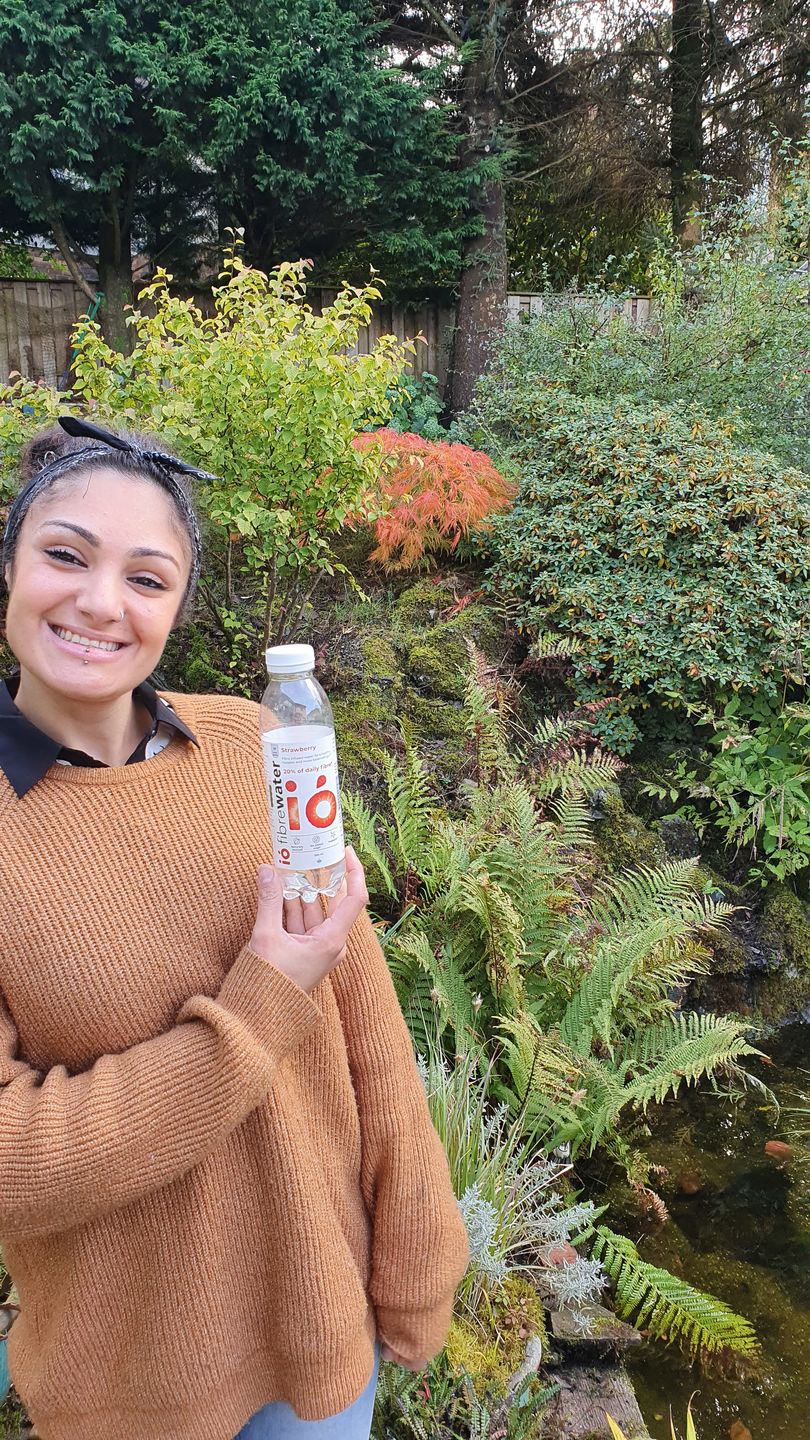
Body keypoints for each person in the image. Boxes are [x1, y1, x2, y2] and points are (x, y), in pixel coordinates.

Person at [0, 417, 470, 1440]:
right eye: (66, 556)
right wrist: (261, 1000)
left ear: (176, 606)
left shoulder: (258, 743)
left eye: (147, 577)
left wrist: (420, 1255)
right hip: (125, 1384)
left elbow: (365, 1022)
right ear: (11, 567)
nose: (101, 601)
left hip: (319, 1333)